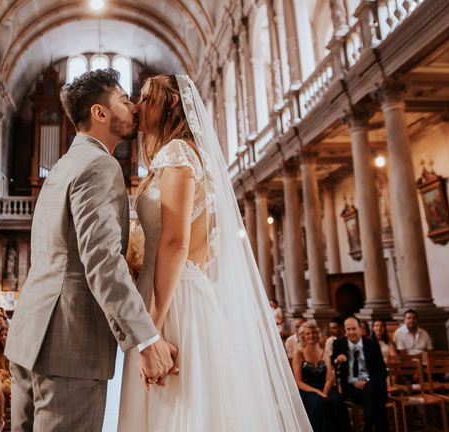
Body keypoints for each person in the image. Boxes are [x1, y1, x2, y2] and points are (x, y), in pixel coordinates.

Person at [118, 74, 310, 430]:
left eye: (146, 97)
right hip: (170, 289)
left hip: (172, 300)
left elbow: (177, 243)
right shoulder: (179, 157)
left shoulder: (177, 153)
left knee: (174, 407)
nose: (137, 105)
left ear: (172, 103)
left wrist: (151, 332)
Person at [5, 69, 177, 432]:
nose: (133, 107)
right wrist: (147, 338)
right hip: (70, 344)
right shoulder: (100, 165)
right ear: (100, 113)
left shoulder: (63, 166)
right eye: (124, 100)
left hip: (30, 336)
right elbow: (100, 260)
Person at [332, 316, 388, 432]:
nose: (351, 332)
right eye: (348, 329)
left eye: (354, 328)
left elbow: (382, 370)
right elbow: (333, 362)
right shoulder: (339, 344)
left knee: (372, 388)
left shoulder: (372, 344)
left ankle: (368, 425)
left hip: (370, 383)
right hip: (351, 387)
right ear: (345, 330)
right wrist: (337, 360)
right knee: (377, 397)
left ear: (360, 329)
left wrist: (366, 380)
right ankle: (374, 426)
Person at [293, 322, 350, 432]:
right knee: (319, 403)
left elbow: (329, 378)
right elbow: (298, 382)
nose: (311, 336)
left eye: (313, 333)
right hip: (307, 389)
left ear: (317, 334)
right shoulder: (298, 353)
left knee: (337, 401)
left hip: (325, 386)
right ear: (303, 336)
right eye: (308, 334)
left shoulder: (325, 352)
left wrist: (324, 391)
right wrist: (318, 393)